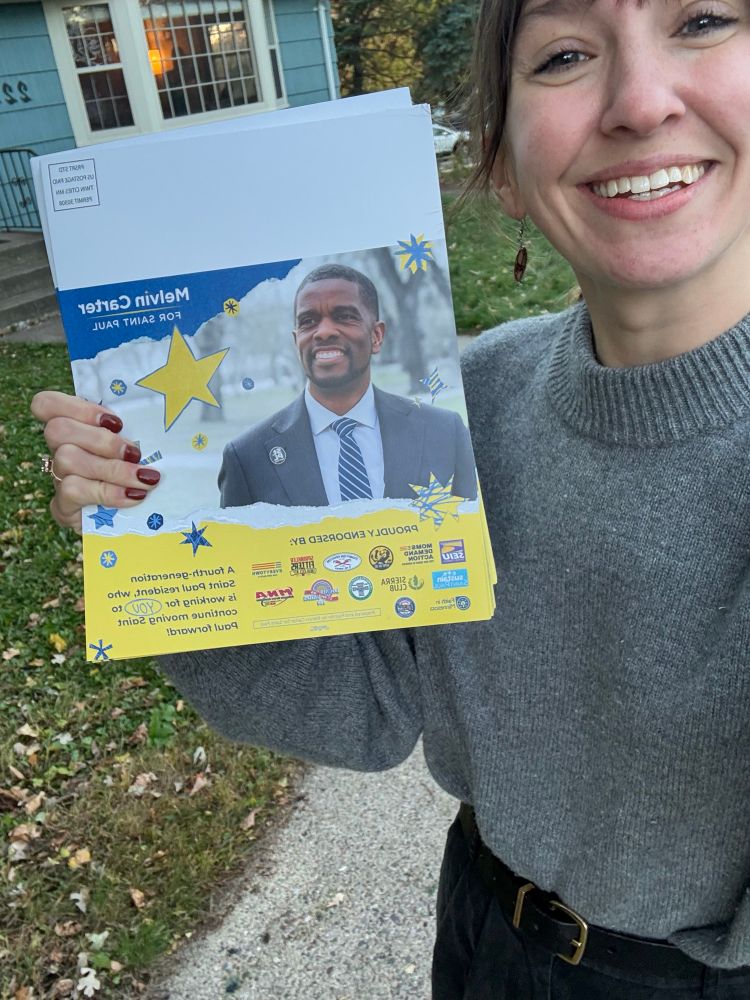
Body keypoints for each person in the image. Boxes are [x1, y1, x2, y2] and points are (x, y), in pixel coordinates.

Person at [30, 0, 750, 995]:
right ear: (501, 165)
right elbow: (366, 711)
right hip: (485, 933)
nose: (638, 100)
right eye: (567, 53)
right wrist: (152, 538)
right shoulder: (472, 408)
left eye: (704, 20)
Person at [218, 263, 477, 507]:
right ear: (297, 341)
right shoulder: (246, 458)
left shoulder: (445, 432)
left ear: (376, 336)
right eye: (308, 321)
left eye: (344, 316)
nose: (323, 332)